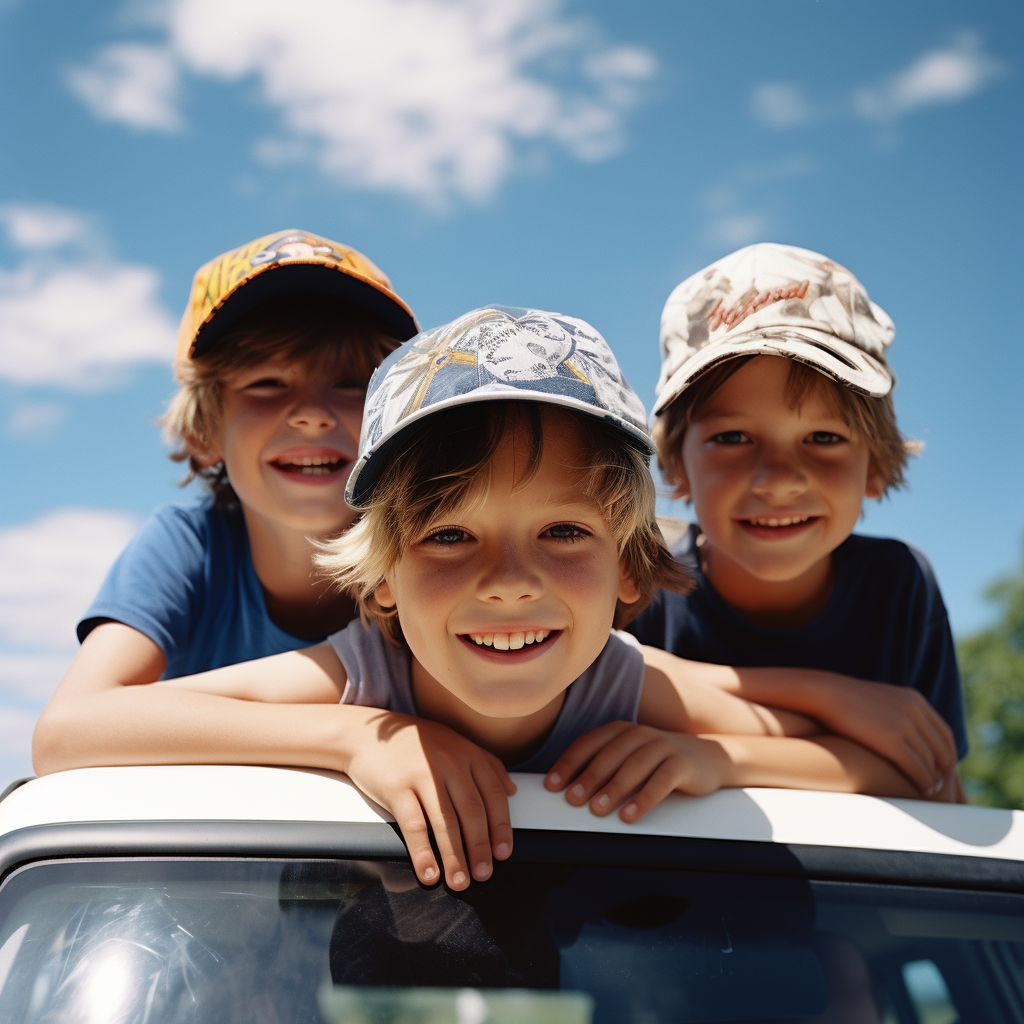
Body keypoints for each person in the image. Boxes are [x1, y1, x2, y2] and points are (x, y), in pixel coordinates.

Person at [106, 306, 951, 893]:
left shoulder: (623, 684)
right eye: (448, 535)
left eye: (562, 533)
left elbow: (898, 771)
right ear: (379, 583)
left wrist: (714, 761)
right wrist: (361, 738)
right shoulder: (357, 685)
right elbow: (80, 732)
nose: (508, 579)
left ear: (631, 572)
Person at [32, 229, 418, 766]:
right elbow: (65, 733)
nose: (311, 412)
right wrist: (350, 735)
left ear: (393, 420)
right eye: (267, 383)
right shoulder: (192, 544)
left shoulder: (433, 549)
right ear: (204, 432)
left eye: (352, 383)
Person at [627, 243, 966, 798]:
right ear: (675, 465)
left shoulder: (898, 587)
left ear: (875, 464)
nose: (778, 480)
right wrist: (829, 697)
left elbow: (930, 779)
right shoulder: (640, 582)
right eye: (732, 438)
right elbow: (589, 677)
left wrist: (723, 759)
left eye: (824, 438)